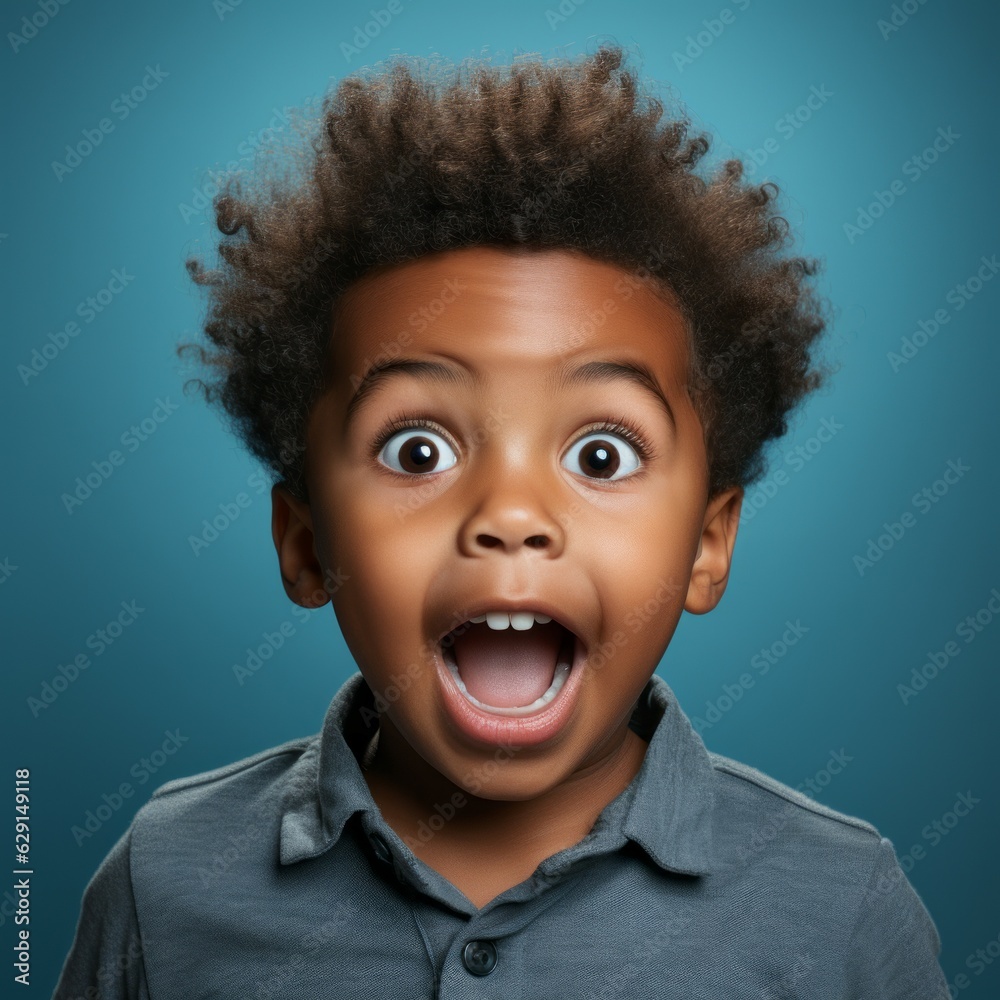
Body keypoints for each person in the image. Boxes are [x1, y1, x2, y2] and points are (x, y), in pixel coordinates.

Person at [53, 43, 949, 997]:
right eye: (418, 452)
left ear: (708, 544)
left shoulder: (840, 909)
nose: (511, 517)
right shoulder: (164, 887)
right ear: (305, 543)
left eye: (601, 455)